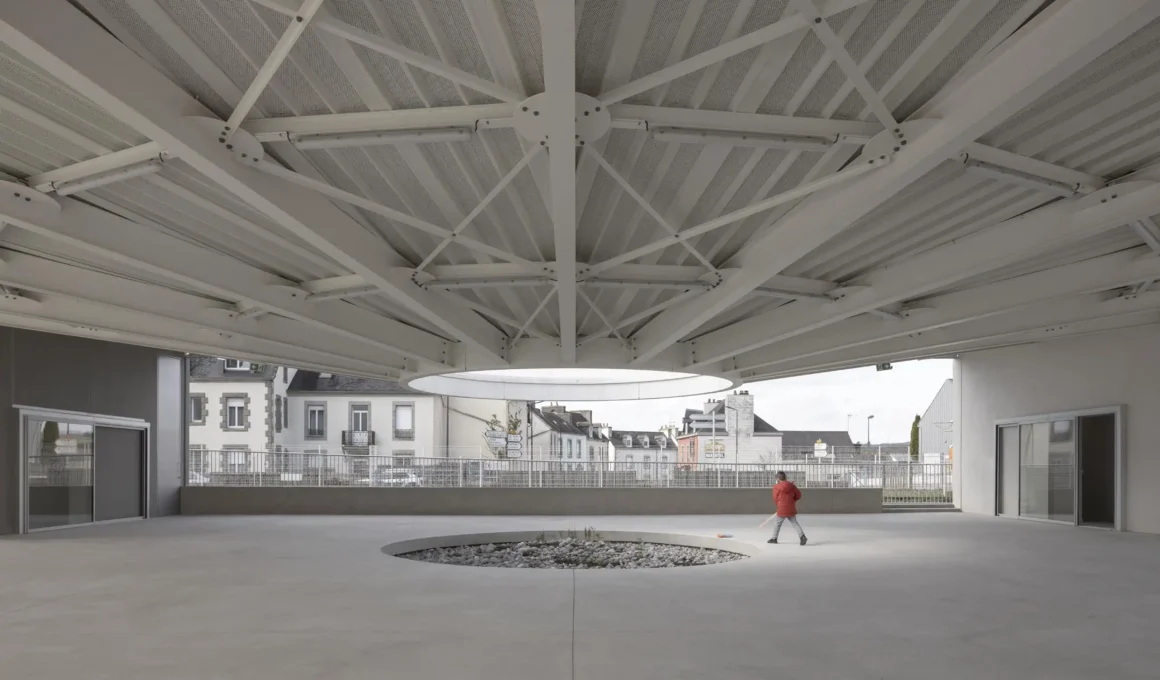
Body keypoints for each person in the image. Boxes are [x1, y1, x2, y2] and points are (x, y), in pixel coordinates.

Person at [768, 471, 807, 545]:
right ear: (785, 477)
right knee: (794, 523)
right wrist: (792, 501)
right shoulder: (792, 486)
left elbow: (775, 498)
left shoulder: (776, 487)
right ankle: (802, 536)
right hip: (791, 507)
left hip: (782, 508)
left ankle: (774, 538)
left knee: (777, 523)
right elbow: (798, 495)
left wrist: (779, 505)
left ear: (778, 479)